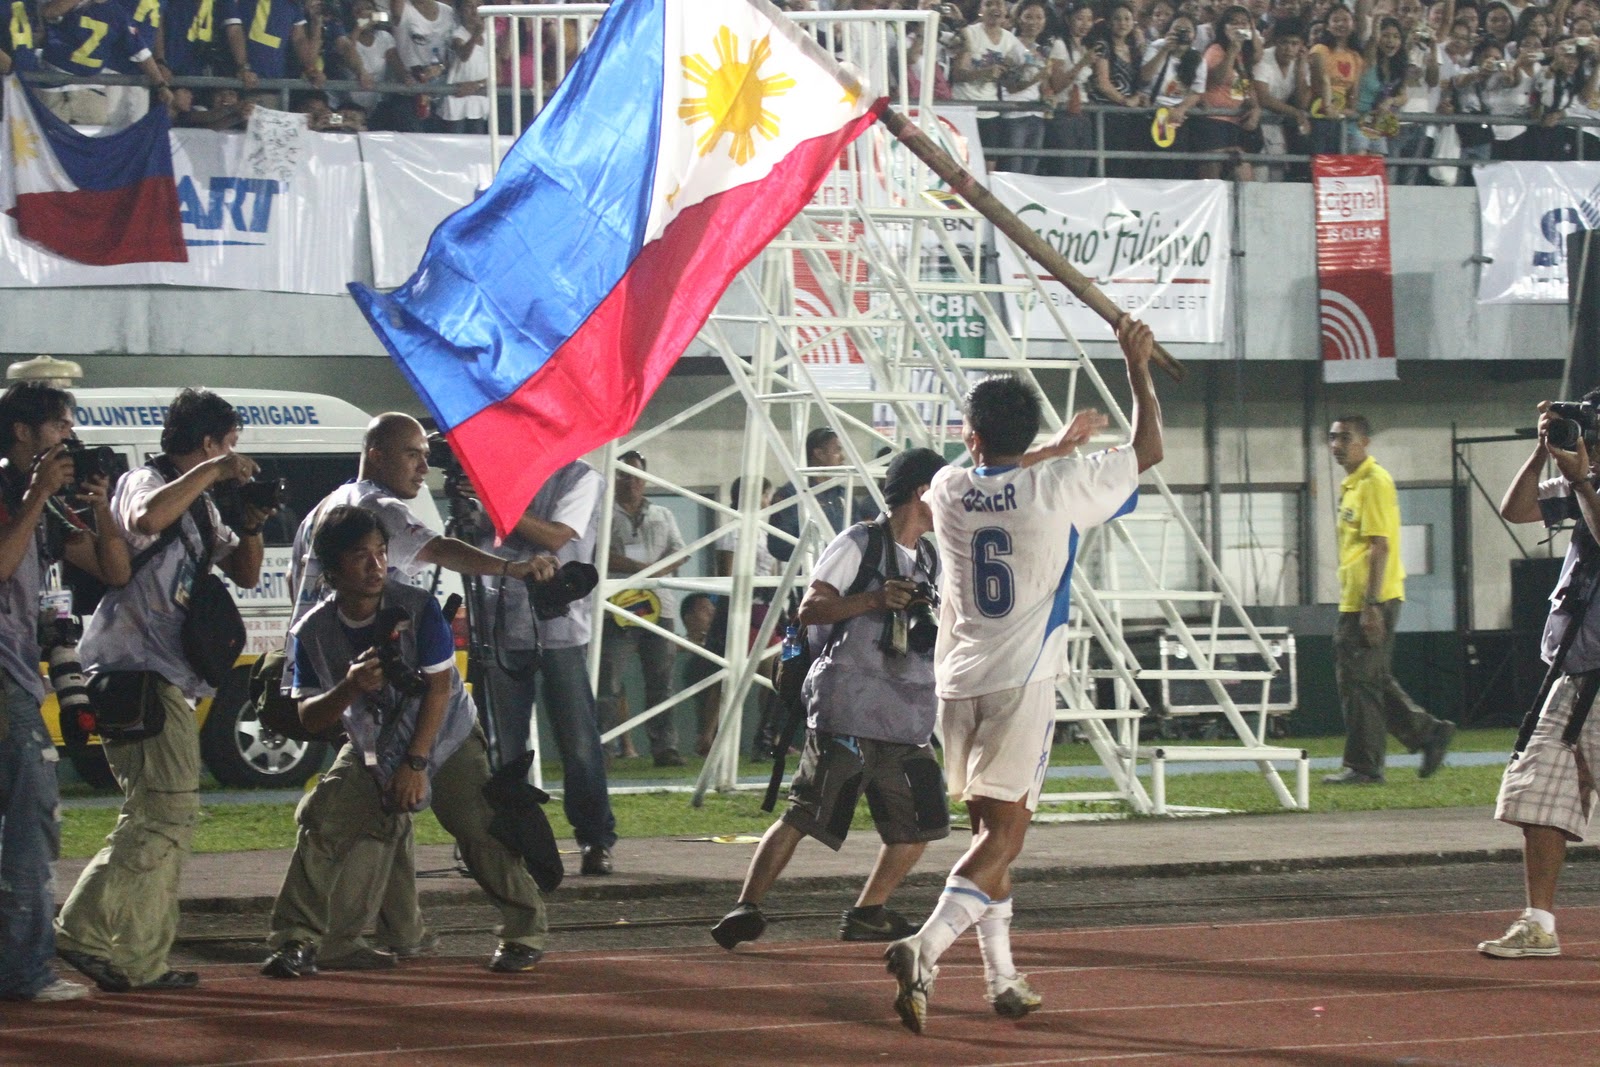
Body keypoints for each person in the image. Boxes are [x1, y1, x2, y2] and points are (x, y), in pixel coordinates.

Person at [884, 316, 1164, 1035]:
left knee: (987, 832)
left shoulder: (945, 487)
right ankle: (925, 946)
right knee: (1005, 838)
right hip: (1023, 675)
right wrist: (1136, 367)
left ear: (971, 434)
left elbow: (993, 470)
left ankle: (1003, 978)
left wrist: (1053, 447)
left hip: (956, 679)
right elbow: (1148, 449)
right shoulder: (1062, 488)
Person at [262, 412, 553, 978]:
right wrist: (512, 568)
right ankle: (301, 939)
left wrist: (417, 760)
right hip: (371, 731)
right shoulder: (373, 517)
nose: (425, 467)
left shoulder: (409, 603)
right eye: (411, 454)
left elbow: (440, 685)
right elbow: (441, 547)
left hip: (435, 729)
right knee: (329, 820)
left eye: (381, 555)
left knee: (475, 824)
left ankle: (519, 928)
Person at [55, 389, 269, 993]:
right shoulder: (141, 483)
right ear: (207, 443)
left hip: (167, 675)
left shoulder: (202, 503)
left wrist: (251, 520)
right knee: (164, 813)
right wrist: (215, 472)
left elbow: (247, 573)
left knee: (166, 817)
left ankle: (140, 958)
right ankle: (81, 928)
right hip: (135, 671)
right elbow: (147, 519)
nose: (235, 457)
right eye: (229, 445)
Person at [711, 449, 952, 952]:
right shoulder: (859, 542)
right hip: (850, 705)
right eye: (945, 489)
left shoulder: (930, 559)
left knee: (921, 823)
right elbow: (811, 609)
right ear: (921, 492)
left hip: (907, 715)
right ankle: (746, 906)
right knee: (804, 814)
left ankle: (868, 912)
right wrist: (873, 599)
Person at [0, 383, 129, 1003]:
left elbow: (113, 570)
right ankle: (24, 973)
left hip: (23, 677)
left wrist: (101, 506)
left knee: (25, 826)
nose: (68, 436)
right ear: (23, 432)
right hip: (6, 687)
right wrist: (35, 495)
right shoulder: (10, 491)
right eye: (58, 424)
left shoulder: (48, 506)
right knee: (31, 826)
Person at [1480, 395, 1600, 958]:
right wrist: (1542, 450)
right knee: (1537, 798)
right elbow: (1517, 508)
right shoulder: (1586, 482)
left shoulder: (1588, 488)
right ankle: (1539, 924)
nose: (1588, 445)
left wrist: (1582, 485)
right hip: (1576, 675)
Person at [475, 459, 618, 877]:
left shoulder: (579, 477)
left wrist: (495, 502)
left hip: (558, 624)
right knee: (506, 745)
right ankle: (512, 840)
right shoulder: (496, 473)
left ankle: (594, 837)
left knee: (578, 740)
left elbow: (555, 537)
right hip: (497, 617)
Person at [1322, 415, 1455, 785]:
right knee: (1368, 678)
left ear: (1364, 441)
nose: (1336, 445)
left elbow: (1379, 546)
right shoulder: (1351, 485)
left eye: (1344, 438)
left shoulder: (1375, 482)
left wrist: (1371, 605)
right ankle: (1428, 733)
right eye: (1332, 438)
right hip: (1356, 597)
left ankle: (1365, 766)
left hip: (1371, 598)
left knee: (1360, 683)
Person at [597, 449, 688, 767]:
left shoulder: (663, 513)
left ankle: (665, 747)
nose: (631, 480)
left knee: (661, 683)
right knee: (607, 683)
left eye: (636, 474)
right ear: (614, 477)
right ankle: (603, 748)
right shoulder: (602, 513)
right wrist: (639, 566)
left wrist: (658, 569)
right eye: (623, 473)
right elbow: (596, 554)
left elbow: (681, 551)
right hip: (616, 608)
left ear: (645, 479)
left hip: (659, 606)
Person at [770, 427, 849, 564]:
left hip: (843, 576)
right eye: (837, 450)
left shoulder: (843, 495)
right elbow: (779, 545)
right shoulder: (791, 495)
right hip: (805, 577)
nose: (843, 457)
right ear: (819, 454)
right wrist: (820, 554)